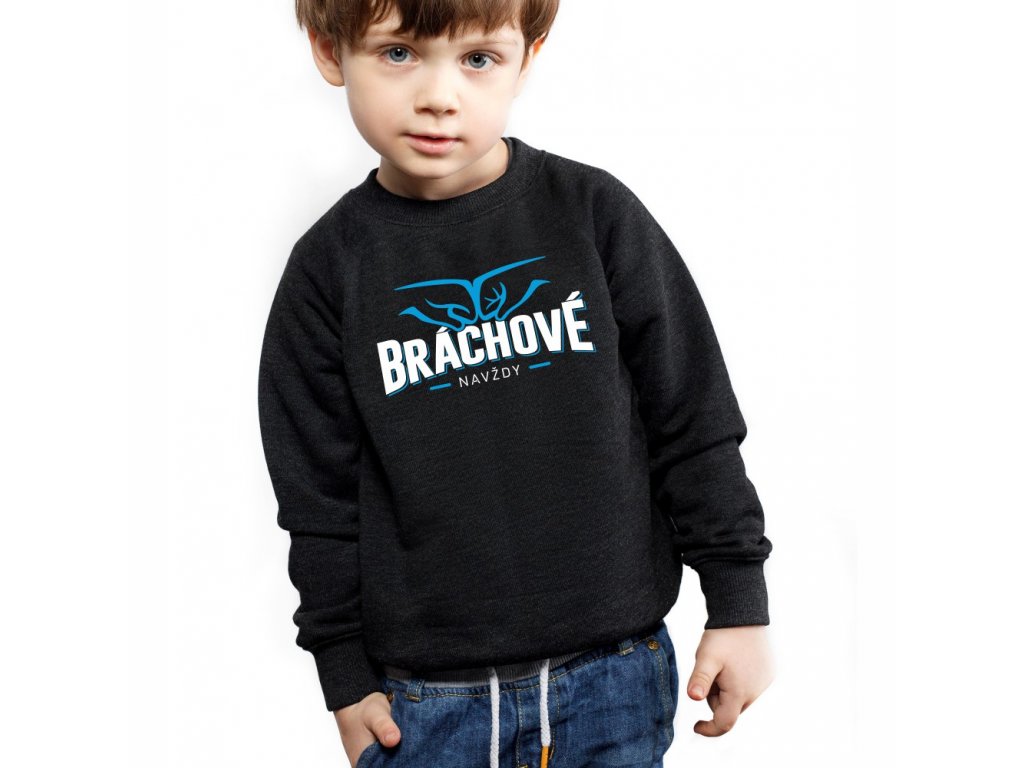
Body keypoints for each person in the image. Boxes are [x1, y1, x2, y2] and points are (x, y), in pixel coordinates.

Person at [257, 1, 775, 766]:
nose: (439, 96)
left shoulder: (593, 216)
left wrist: (739, 603)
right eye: (398, 53)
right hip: (425, 707)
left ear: (527, 58)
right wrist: (341, 673)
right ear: (330, 51)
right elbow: (318, 500)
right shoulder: (327, 273)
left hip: (616, 678)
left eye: (478, 59)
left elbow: (692, 419)